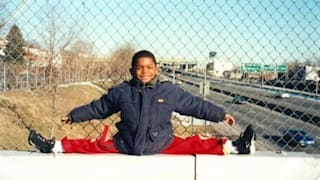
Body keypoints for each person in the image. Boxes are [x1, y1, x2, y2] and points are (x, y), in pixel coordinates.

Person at [28, 50, 256, 155]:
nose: (144, 71)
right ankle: (53, 146)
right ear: (132, 70)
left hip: (162, 142)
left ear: (156, 69)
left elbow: (195, 105)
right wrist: (75, 115)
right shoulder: (122, 92)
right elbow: (99, 108)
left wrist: (220, 114)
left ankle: (237, 146)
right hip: (125, 144)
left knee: (197, 143)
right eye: (139, 67)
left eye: (149, 67)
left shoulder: (169, 91)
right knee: (91, 145)